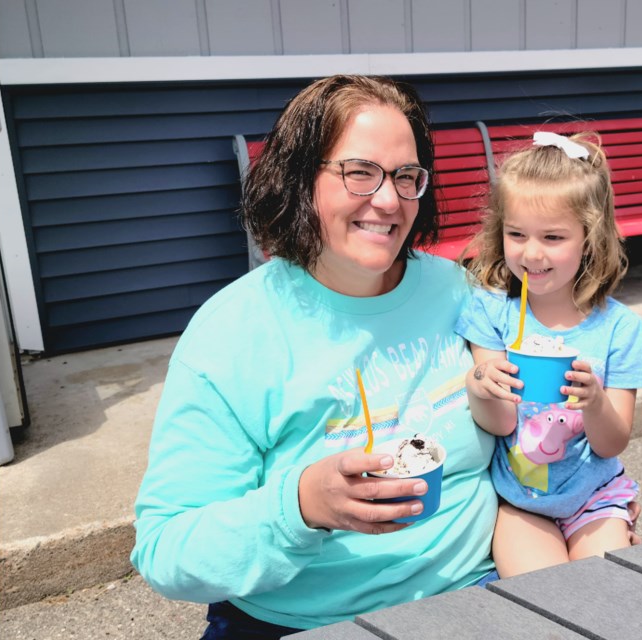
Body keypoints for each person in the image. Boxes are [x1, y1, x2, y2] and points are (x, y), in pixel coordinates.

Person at [130, 75, 500, 637]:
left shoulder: (455, 290)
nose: (387, 199)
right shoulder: (233, 333)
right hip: (305, 621)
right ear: (300, 180)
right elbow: (166, 552)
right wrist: (301, 507)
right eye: (359, 172)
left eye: (406, 176)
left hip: (475, 595)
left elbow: (521, 431)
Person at [454, 130, 642, 578]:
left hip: (597, 498)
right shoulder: (492, 311)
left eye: (553, 237)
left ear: (590, 237)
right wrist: (481, 385)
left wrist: (596, 401)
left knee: (605, 595)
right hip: (521, 502)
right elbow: (503, 423)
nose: (531, 252)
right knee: (544, 599)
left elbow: (612, 442)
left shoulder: (620, 328)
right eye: (516, 233)